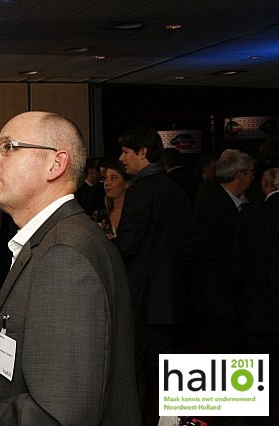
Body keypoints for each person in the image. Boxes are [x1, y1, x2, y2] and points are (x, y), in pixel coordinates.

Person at [0, 111, 140, 425]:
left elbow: (60, 415)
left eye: (8, 147)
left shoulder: (65, 255)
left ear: (55, 164)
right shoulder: (52, 239)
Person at [113, 127, 191, 421]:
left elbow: (128, 245)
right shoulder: (176, 190)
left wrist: (102, 247)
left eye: (126, 152)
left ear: (143, 152)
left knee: (131, 372)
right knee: (162, 373)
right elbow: (186, 243)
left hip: (142, 299)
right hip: (169, 297)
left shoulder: (141, 192)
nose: (122, 158)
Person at [190, 149, 254, 355]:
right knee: (221, 351)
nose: (254, 177)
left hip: (230, 297)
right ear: (240, 174)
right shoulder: (212, 202)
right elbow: (202, 245)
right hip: (217, 297)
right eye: (251, 172)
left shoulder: (241, 202)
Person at [235, 168, 279, 426]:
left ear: (264, 185)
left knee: (257, 381)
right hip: (267, 308)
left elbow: (237, 265)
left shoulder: (250, 216)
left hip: (255, 311)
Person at [91, 160, 131, 239]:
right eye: (106, 178)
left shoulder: (136, 214)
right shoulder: (99, 216)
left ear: (126, 183)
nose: (107, 183)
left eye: (113, 178)